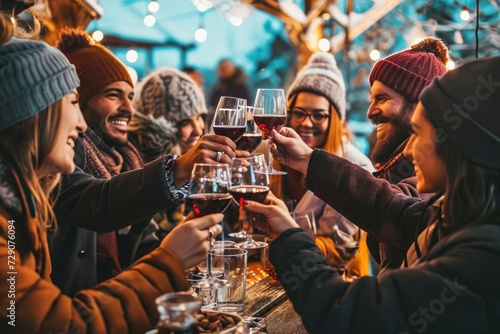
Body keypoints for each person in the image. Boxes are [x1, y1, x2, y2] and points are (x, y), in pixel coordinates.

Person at [0, 17, 223, 333]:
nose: (79, 124)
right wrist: (168, 261)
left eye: (130, 96)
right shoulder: (29, 193)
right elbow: (61, 325)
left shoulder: (24, 193)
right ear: (35, 113)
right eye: (73, 102)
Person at [247, 55, 500, 333]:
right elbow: (390, 208)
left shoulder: (482, 258)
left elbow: (350, 315)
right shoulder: (462, 213)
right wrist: (309, 161)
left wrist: (288, 237)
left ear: (457, 143)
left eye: (418, 132)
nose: (408, 149)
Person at [51, 29, 236, 295]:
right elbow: (99, 202)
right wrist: (180, 169)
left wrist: (180, 252)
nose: (129, 108)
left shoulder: (126, 158)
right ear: (77, 102)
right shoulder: (62, 161)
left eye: (130, 96)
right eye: (114, 95)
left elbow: (145, 246)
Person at [278, 38, 450, 274]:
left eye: (382, 98)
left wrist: (308, 161)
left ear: (418, 105)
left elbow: (396, 208)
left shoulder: (439, 165)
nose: (370, 112)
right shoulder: (394, 165)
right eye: (297, 112)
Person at [271, 52, 374, 277]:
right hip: (277, 276)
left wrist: (278, 239)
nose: (306, 123)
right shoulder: (271, 156)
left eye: (319, 115)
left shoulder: (355, 167)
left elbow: (339, 249)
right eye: (298, 113)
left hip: (338, 281)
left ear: (334, 119)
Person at [129, 67, 207, 232]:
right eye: (185, 122)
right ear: (161, 128)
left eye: (199, 117)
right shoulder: (139, 170)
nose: (198, 130)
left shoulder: (196, 163)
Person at [207, 58, 251, 127]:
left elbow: (244, 105)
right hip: (219, 122)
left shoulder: (239, 86)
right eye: (221, 69)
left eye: (225, 68)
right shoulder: (219, 85)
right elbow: (213, 102)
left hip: (234, 123)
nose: (223, 71)